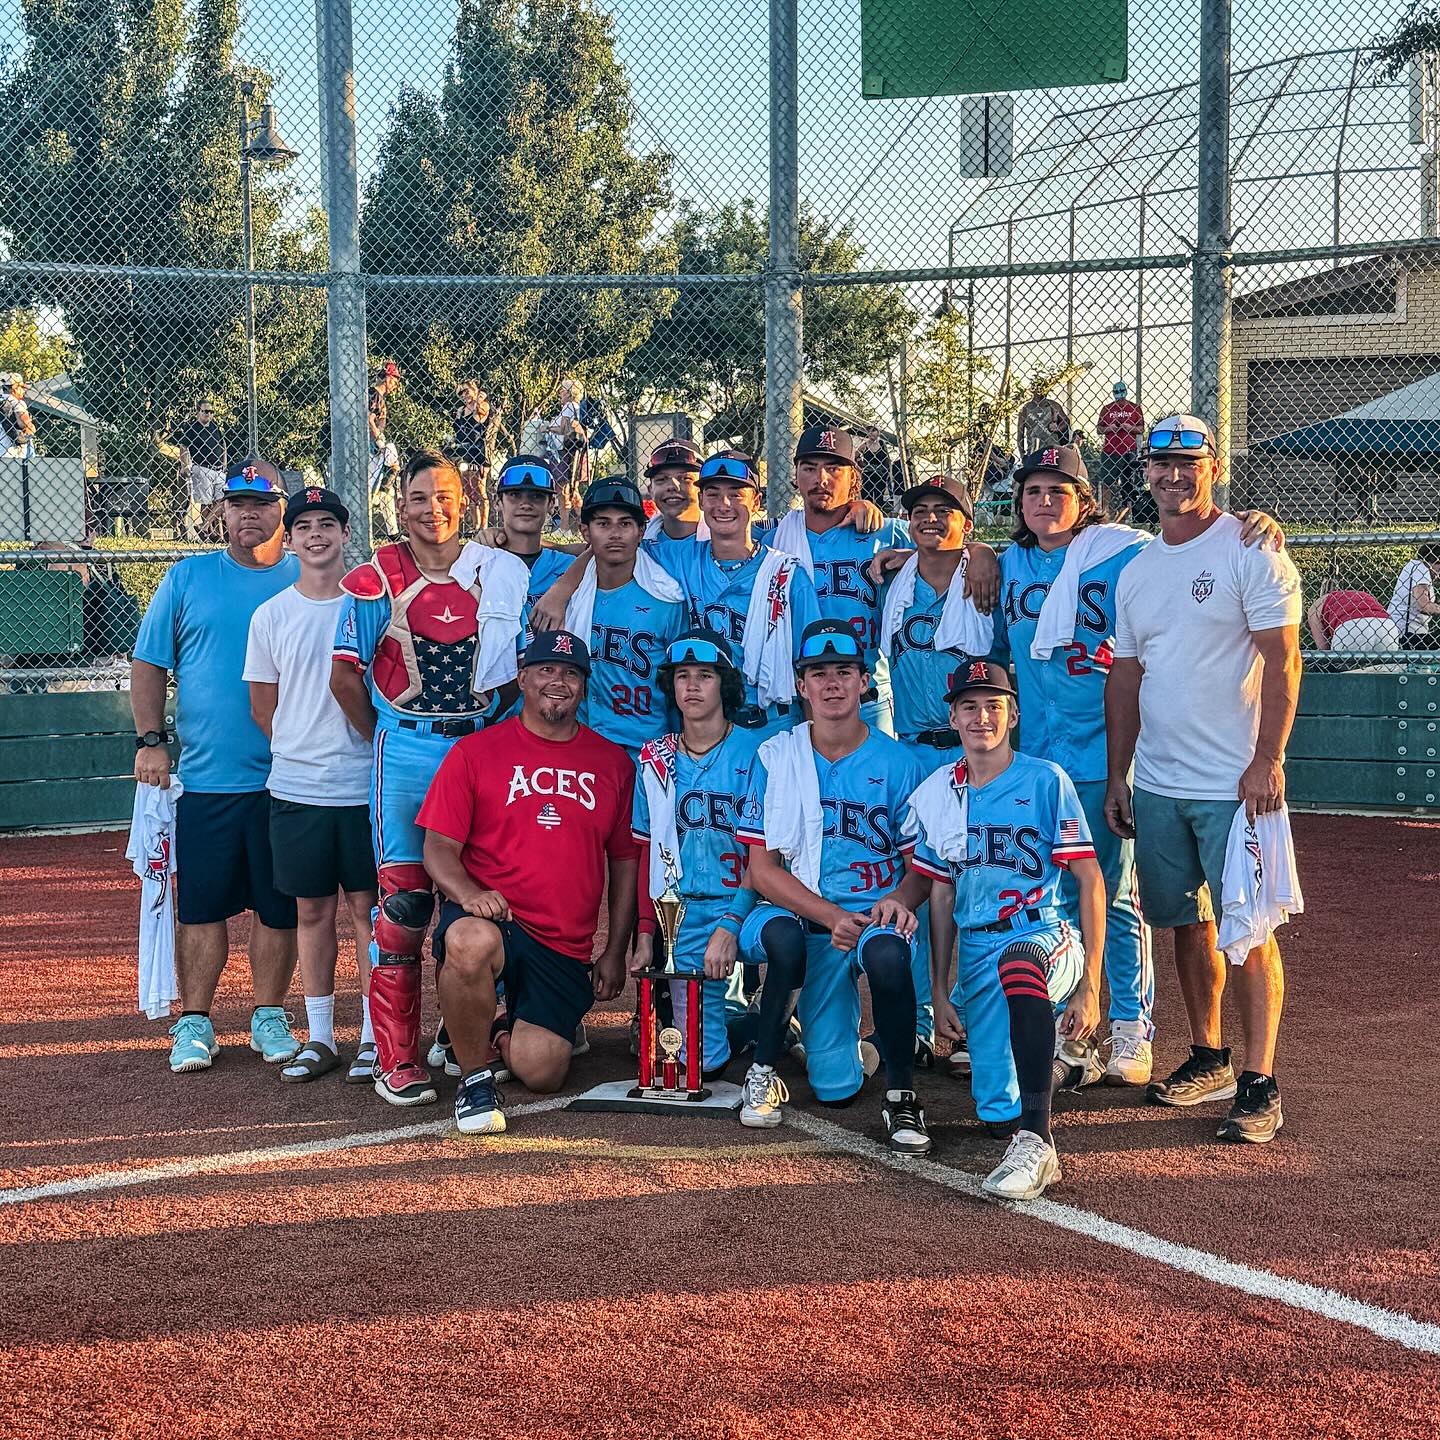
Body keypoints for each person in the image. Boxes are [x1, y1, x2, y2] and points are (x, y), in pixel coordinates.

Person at [1105, 414, 1303, 1144]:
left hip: (1236, 784)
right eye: (1162, 463)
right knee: (1185, 924)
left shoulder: (1253, 548)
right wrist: (1118, 774)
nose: (1173, 475)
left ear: (1212, 466)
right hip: (1159, 782)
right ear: (1147, 470)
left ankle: (1261, 1081)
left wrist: (1267, 761)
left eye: (1188, 461)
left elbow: (1284, 661)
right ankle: (1210, 1056)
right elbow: (1126, 678)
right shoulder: (1136, 569)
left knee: (1248, 933)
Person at [330, 451, 528, 1107]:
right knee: (405, 908)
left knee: (486, 898)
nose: (432, 509)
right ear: (400, 504)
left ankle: (467, 1035)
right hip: (409, 754)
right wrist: (391, 735)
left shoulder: (497, 573)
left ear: (465, 501)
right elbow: (345, 677)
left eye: (444, 496)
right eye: (419, 497)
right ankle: (396, 1057)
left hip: (479, 751)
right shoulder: (372, 579)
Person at [417, 630, 638, 1135]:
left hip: (560, 939)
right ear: (522, 678)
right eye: (545, 670)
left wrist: (613, 950)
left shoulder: (612, 764)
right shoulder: (475, 752)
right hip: (492, 915)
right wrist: (469, 895)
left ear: (584, 686)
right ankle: (474, 1079)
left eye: (570, 673)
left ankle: (497, 1027)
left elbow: (625, 863)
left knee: (542, 1072)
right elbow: (438, 849)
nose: (557, 682)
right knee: (468, 942)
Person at [735, 620, 933, 1151]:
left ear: (865, 682)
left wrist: (898, 900)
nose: (831, 684)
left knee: (890, 958)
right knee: (833, 1085)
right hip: (811, 920)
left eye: (844, 671)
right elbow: (762, 869)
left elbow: (922, 869)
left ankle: (901, 1098)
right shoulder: (777, 758)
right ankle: (812, 1053)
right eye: (817, 673)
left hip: (872, 917)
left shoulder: (899, 763)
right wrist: (829, 917)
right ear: (800, 686)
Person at [131, 457, 301, 1074]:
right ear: (221, 511)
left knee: (279, 907)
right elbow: (148, 665)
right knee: (200, 907)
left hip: (288, 779)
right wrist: (152, 739)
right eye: (237, 503)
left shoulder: (308, 579)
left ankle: (268, 1015)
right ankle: (195, 1021)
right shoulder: (186, 578)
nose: (248, 513)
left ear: (284, 509)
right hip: (206, 781)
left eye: (262, 503)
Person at [915, 660, 1104, 1201]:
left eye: (994, 706)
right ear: (952, 718)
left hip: (1042, 932)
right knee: (996, 1110)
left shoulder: (1046, 779)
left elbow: (1089, 878)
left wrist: (1091, 985)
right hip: (977, 946)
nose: (982, 717)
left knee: (1019, 962)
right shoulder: (941, 792)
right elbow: (941, 892)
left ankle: (1039, 1144)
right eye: (970, 707)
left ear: (1014, 714)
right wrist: (940, 990)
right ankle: (1056, 1070)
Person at [244, 486, 378, 1085]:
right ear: (289, 539)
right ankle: (320, 1036)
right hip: (298, 787)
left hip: (365, 786)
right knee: (312, 910)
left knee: (370, 913)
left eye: (328, 523)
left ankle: (380, 1036)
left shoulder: (373, 606)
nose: (317, 534)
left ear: (345, 534)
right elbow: (264, 709)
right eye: (305, 526)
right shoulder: (271, 614)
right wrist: (302, 751)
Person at [631, 630, 763, 1077]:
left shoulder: (761, 751)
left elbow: (772, 855)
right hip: (684, 915)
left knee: (788, 945)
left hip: (753, 907)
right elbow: (648, 852)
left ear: (723, 684)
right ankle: (758, 1027)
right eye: (682, 676)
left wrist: (733, 919)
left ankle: (785, 1015)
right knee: (700, 1063)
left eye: (704, 675)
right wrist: (647, 932)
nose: (691, 685)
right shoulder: (655, 758)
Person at [649, 451, 822, 738]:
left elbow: (811, 665)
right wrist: (563, 587)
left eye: (736, 494)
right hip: (705, 727)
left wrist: (812, 743)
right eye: (713, 494)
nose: (724, 505)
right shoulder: (677, 558)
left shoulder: (787, 573)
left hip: (773, 724)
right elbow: (612, 550)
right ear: (701, 500)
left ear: (756, 502)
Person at [563, 477, 688, 759]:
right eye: (603, 523)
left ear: (641, 531)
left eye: (625, 523)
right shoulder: (571, 596)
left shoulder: (666, 597)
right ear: (585, 531)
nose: (615, 534)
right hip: (583, 743)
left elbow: (678, 685)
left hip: (647, 747)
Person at [171, 398, 228, 541]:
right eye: (205, 411)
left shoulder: (215, 427)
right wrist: (185, 466)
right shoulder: (192, 428)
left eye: (211, 412)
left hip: (218, 469)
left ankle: (205, 525)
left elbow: (223, 446)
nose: (208, 414)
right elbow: (183, 447)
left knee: (223, 500)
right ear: (198, 412)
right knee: (206, 502)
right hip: (202, 468)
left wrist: (224, 464)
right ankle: (210, 533)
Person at [1307, 581, 1401, 653]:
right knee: (1384, 671)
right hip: (1386, 625)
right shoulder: (1362, 595)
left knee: (1345, 674)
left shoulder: (1315, 607)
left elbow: (1323, 648)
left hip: (1351, 626)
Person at [546, 378, 589, 532]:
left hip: (564, 453)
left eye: (562, 390)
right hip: (572, 452)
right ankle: (586, 522)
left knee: (563, 489)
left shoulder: (569, 406)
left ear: (569, 392)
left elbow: (564, 427)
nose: (560, 393)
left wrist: (546, 428)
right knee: (573, 490)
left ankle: (564, 528)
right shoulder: (576, 407)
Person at [1096, 381, 1144, 512]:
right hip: (1110, 450)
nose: (1120, 397)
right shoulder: (1107, 409)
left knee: (1128, 483)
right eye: (1117, 393)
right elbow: (1099, 429)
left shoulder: (1134, 408)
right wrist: (1109, 428)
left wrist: (1130, 428)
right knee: (1107, 482)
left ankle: (1128, 511)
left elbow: (1141, 429)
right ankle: (1105, 510)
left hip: (1129, 450)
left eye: (1121, 392)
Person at [1386, 544, 1440, 650]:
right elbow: (1424, 605)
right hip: (1407, 635)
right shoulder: (1421, 570)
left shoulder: (1415, 567)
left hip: (1402, 632)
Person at [1018, 381, 1070, 454]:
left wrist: (1058, 428)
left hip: (1052, 450)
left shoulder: (1054, 405)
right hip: (1034, 451)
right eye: (1038, 389)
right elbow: (1020, 435)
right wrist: (1022, 455)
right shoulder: (1026, 409)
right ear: (1033, 391)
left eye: (1043, 389)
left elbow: (1066, 421)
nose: (1040, 392)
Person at [1, 373, 36, 460]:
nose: (23, 391)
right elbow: (23, 423)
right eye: (21, 388)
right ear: (14, 388)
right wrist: (31, 427)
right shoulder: (16, 402)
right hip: (11, 453)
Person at [856, 426, 892, 506]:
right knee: (867, 497)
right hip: (868, 474)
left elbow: (887, 459)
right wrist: (860, 463)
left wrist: (887, 471)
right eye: (869, 431)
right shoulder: (864, 445)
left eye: (873, 430)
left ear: (878, 432)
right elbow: (855, 455)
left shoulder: (882, 444)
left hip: (881, 475)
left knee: (879, 498)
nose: (871, 433)